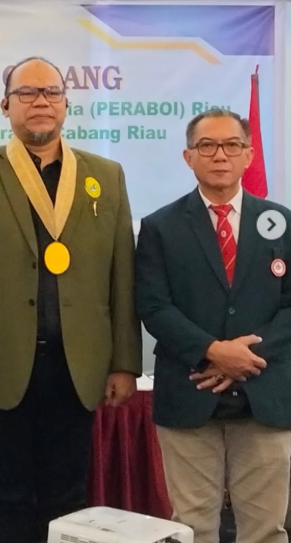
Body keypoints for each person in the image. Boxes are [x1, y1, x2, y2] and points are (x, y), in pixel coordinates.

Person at [0, 57, 142, 543]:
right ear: (5, 106)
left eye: (51, 92)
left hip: (77, 364)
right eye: (27, 93)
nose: (40, 101)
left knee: (70, 499)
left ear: (66, 104)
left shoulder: (105, 175)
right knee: (5, 497)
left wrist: (124, 362)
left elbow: (121, 276)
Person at [135, 108, 291, 543]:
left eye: (231, 145)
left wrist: (245, 356)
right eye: (207, 146)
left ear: (249, 155)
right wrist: (213, 351)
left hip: (265, 396)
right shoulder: (160, 227)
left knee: (267, 531)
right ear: (188, 157)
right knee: (192, 529)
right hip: (189, 393)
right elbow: (153, 306)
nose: (220, 155)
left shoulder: (281, 222)